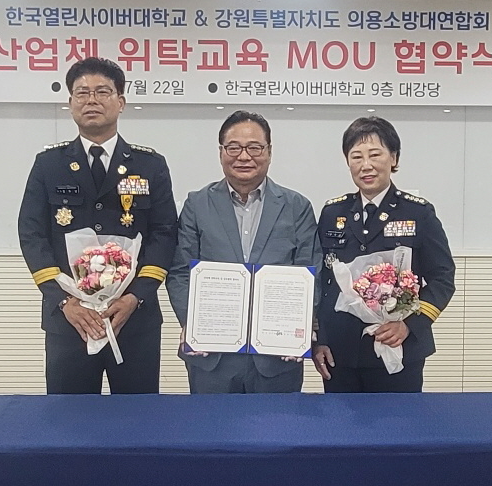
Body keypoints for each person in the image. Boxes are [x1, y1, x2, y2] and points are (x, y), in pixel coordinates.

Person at [18, 57, 177, 394]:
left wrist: (135, 297)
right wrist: (64, 302)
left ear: (121, 101)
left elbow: (164, 234)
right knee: (69, 417)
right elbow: (31, 234)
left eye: (102, 92)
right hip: (70, 321)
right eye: (82, 93)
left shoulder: (150, 165)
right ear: (70, 103)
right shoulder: (49, 164)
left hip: (133, 320)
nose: (91, 100)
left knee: (137, 416)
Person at [166, 110, 320, 393]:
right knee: (211, 423)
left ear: (269, 152)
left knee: (278, 423)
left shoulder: (297, 207)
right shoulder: (197, 205)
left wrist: (300, 326)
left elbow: (310, 272)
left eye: (254, 148)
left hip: (277, 357)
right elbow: (179, 272)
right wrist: (193, 322)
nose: (244, 156)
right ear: (221, 152)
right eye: (233, 147)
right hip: (212, 357)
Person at [312, 116, 455, 392]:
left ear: (394, 158)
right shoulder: (332, 213)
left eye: (375, 154)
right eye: (356, 156)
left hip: (399, 348)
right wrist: (320, 339)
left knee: (399, 420)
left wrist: (409, 324)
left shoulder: (418, 213)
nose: (365, 165)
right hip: (340, 353)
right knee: (339, 420)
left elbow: (443, 278)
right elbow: (324, 283)